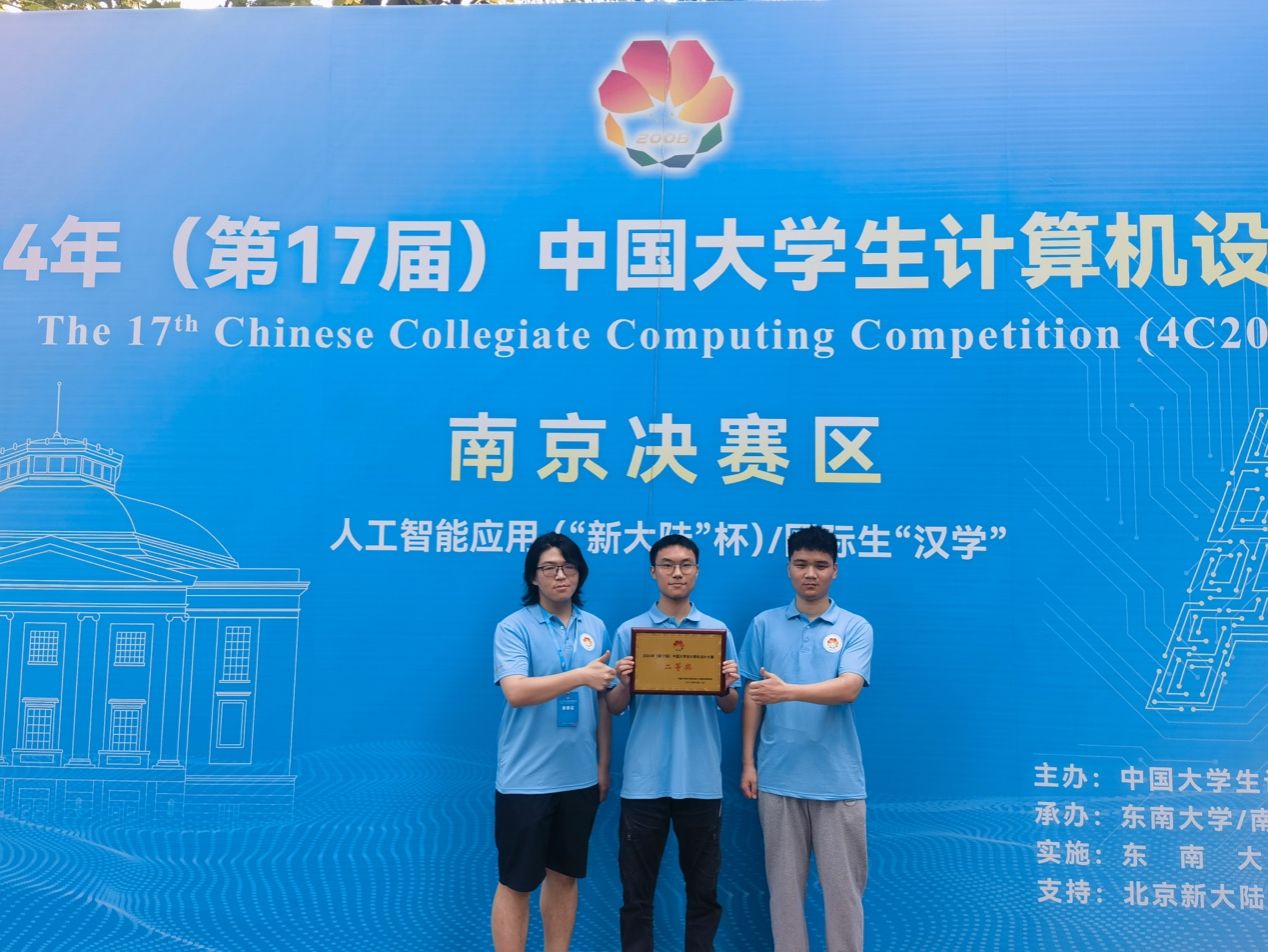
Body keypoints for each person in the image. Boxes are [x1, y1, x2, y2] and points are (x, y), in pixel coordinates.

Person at [739, 525, 874, 952]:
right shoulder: (764, 624)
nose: (810, 573)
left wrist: (790, 691)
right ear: (788, 568)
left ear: (835, 570)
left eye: (820, 565)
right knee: (783, 897)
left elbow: (849, 687)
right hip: (778, 779)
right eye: (801, 564)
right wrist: (748, 762)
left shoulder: (855, 627)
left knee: (844, 896)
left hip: (837, 783)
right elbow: (753, 695)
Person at [606, 534, 739, 952]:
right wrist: (626, 683)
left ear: (697, 571)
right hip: (644, 783)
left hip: (701, 782)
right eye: (667, 564)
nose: (676, 572)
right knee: (636, 896)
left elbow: (731, 706)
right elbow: (613, 706)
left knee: (703, 894)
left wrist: (725, 685)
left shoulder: (717, 631)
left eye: (685, 564)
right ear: (653, 572)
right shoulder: (630, 632)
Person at [492, 532, 616, 952]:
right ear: (533, 577)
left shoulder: (595, 627)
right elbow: (516, 691)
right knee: (516, 883)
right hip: (525, 780)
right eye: (549, 568)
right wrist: (580, 675)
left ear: (580, 573)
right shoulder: (514, 627)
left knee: (564, 877)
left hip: (579, 778)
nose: (560, 576)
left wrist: (602, 767)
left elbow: (603, 702)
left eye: (568, 567)